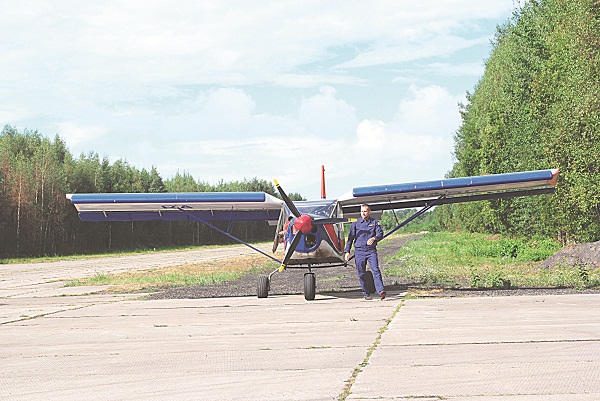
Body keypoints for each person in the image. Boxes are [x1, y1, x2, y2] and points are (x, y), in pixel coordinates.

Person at [344, 204, 386, 300]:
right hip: (359, 252)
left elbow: (380, 233)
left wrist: (374, 238)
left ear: (369, 212)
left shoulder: (374, 222)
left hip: (371, 251)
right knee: (361, 273)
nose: (363, 213)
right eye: (362, 211)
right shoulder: (355, 224)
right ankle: (366, 293)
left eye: (365, 211)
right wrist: (347, 251)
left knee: (376, 270)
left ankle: (381, 291)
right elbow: (350, 239)